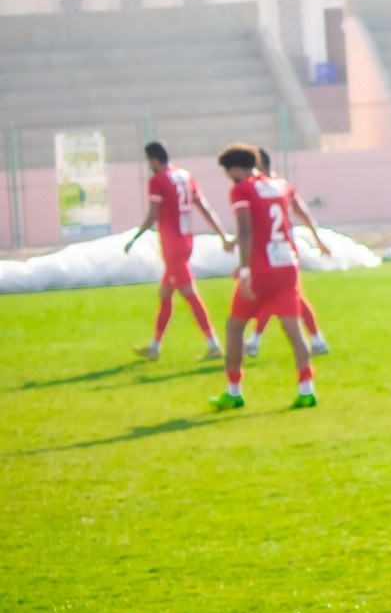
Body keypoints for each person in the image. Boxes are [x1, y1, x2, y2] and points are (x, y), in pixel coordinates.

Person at [210, 143, 316, 411]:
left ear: (235, 168)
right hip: (287, 265)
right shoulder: (279, 185)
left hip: (260, 269)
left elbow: (245, 230)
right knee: (294, 330)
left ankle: (233, 392)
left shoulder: (242, 189)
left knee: (235, 328)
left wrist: (245, 270)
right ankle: (306, 389)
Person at [125, 141, 227, 361]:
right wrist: (222, 234)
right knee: (165, 294)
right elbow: (204, 208)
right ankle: (154, 347)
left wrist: (135, 237)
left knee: (189, 293)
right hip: (186, 241)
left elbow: (153, 213)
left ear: (153, 160)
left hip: (172, 246)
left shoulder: (158, 180)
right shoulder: (185, 176)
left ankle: (214, 344)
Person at [244, 147, 330, 358]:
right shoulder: (283, 186)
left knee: (272, 297)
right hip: (285, 251)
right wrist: (318, 239)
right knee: (288, 297)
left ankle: (255, 340)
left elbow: (252, 225)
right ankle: (316, 340)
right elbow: (304, 213)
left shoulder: (259, 189)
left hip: (271, 253)